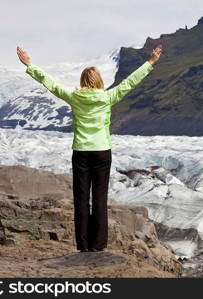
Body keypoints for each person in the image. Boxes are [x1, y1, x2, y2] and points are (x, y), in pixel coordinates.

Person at [17, 45, 163, 252]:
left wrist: (30, 65)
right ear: (99, 81)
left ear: (82, 82)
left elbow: (51, 84)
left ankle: (83, 245)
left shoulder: (74, 97)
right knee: (100, 198)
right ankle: (99, 244)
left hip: (81, 152)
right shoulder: (108, 97)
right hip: (102, 151)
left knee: (81, 199)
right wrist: (150, 62)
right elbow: (130, 82)